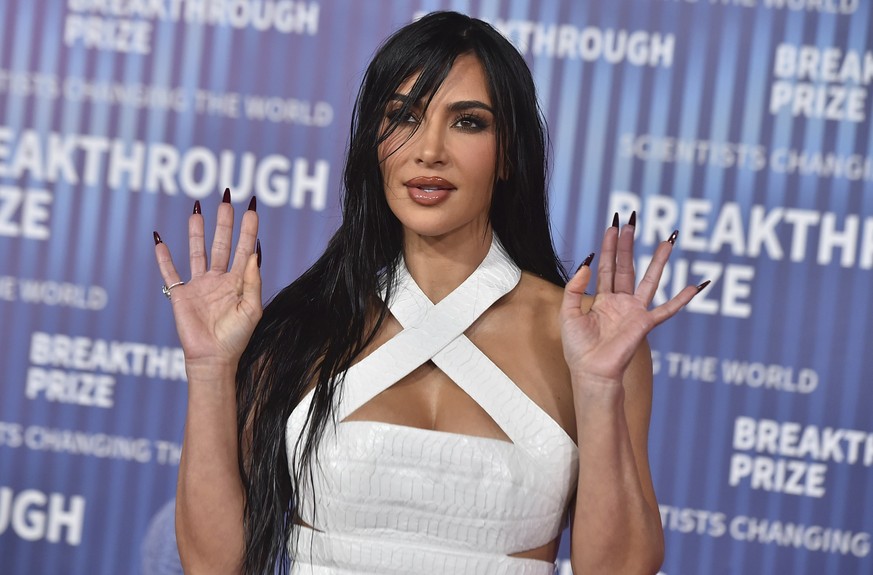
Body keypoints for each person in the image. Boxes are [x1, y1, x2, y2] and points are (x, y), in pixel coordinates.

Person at [154, 10, 705, 575]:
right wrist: (208, 369)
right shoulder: (302, 326)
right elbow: (213, 563)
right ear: (374, 139)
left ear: (510, 150)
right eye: (403, 117)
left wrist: (598, 385)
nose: (429, 150)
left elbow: (622, 569)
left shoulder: (586, 341)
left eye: (467, 122)